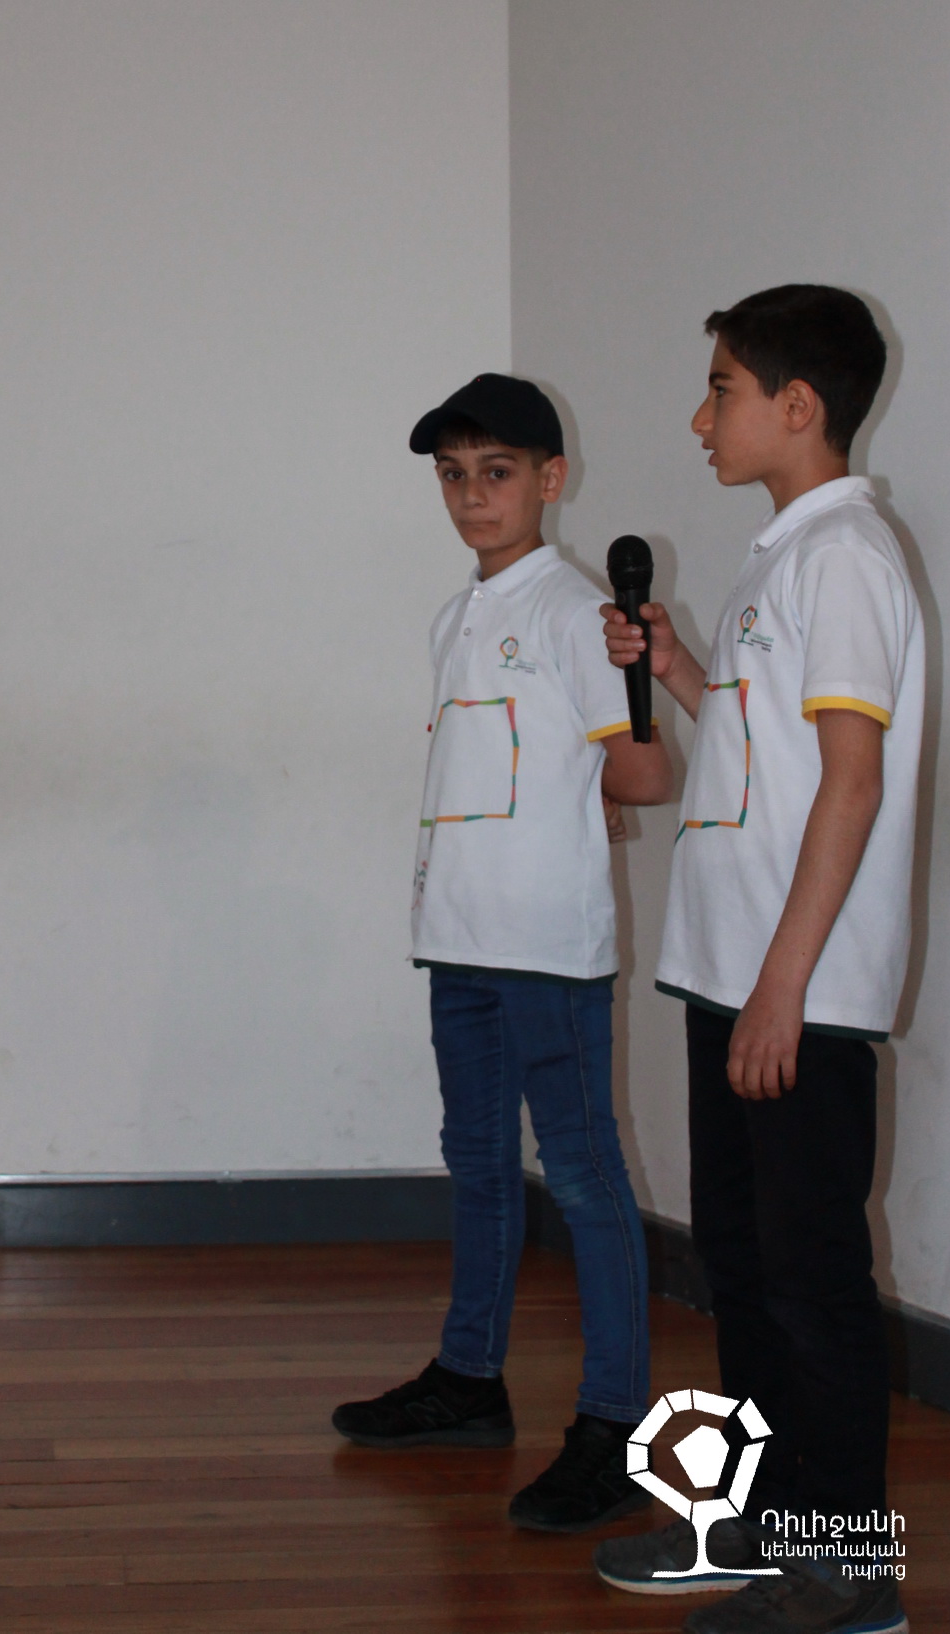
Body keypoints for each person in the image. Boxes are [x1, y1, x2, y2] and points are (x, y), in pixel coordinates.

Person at [592, 287, 921, 1634]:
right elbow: (766, 752)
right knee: (741, 1260)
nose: (700, 416)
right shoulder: (785, 556)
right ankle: (765, 1523)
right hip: (732, 977)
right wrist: (682, 668)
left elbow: (852, 781)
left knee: (810, 1277)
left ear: (798, 405)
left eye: (721, 388)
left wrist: (786, 984)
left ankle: (849, 1572)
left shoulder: (845, 555)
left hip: (797, 994)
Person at [331, 374, 673, 1533]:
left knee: (580, 1175)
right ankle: (471, 1378)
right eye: (453, 475)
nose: (473, 496)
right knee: (477, 1162)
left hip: (546, 948)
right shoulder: (456, 616)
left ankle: (616, 1425)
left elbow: (644, 776)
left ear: (550, 480)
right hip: (459, 940)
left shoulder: (576, 612)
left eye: (497, 472)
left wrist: (608, 757)